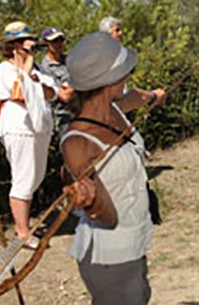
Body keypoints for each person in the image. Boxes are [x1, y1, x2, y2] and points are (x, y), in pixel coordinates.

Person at [61, 32, 166, 305]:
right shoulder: (77, 142)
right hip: (109, 257)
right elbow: (106, 217)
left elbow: (139, 97)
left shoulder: (114, 108)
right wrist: (90, 200)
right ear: (108, 82)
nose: (128, 75)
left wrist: (155, 96)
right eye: (123, 72)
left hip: (134, 243)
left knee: (142, 297)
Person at [0, 22, 59, 248]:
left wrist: (36, 83)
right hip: (19, 128)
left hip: (39, 127)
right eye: (23, 42)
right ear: (13, 46)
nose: (27, 45)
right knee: (23, 177)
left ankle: (23, 225)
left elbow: (53, 92)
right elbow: (18, 93)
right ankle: (22, 232)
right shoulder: (5, 69)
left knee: (34, 177)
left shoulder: (39, 71)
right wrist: (28, 69)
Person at [39, 27, 75, 132]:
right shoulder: (44, 68)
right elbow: (64, 95)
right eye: (54, 41)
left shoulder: (71, 59)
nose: (59, 43)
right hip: (66, 118)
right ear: (45, 44)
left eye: (61, 39)